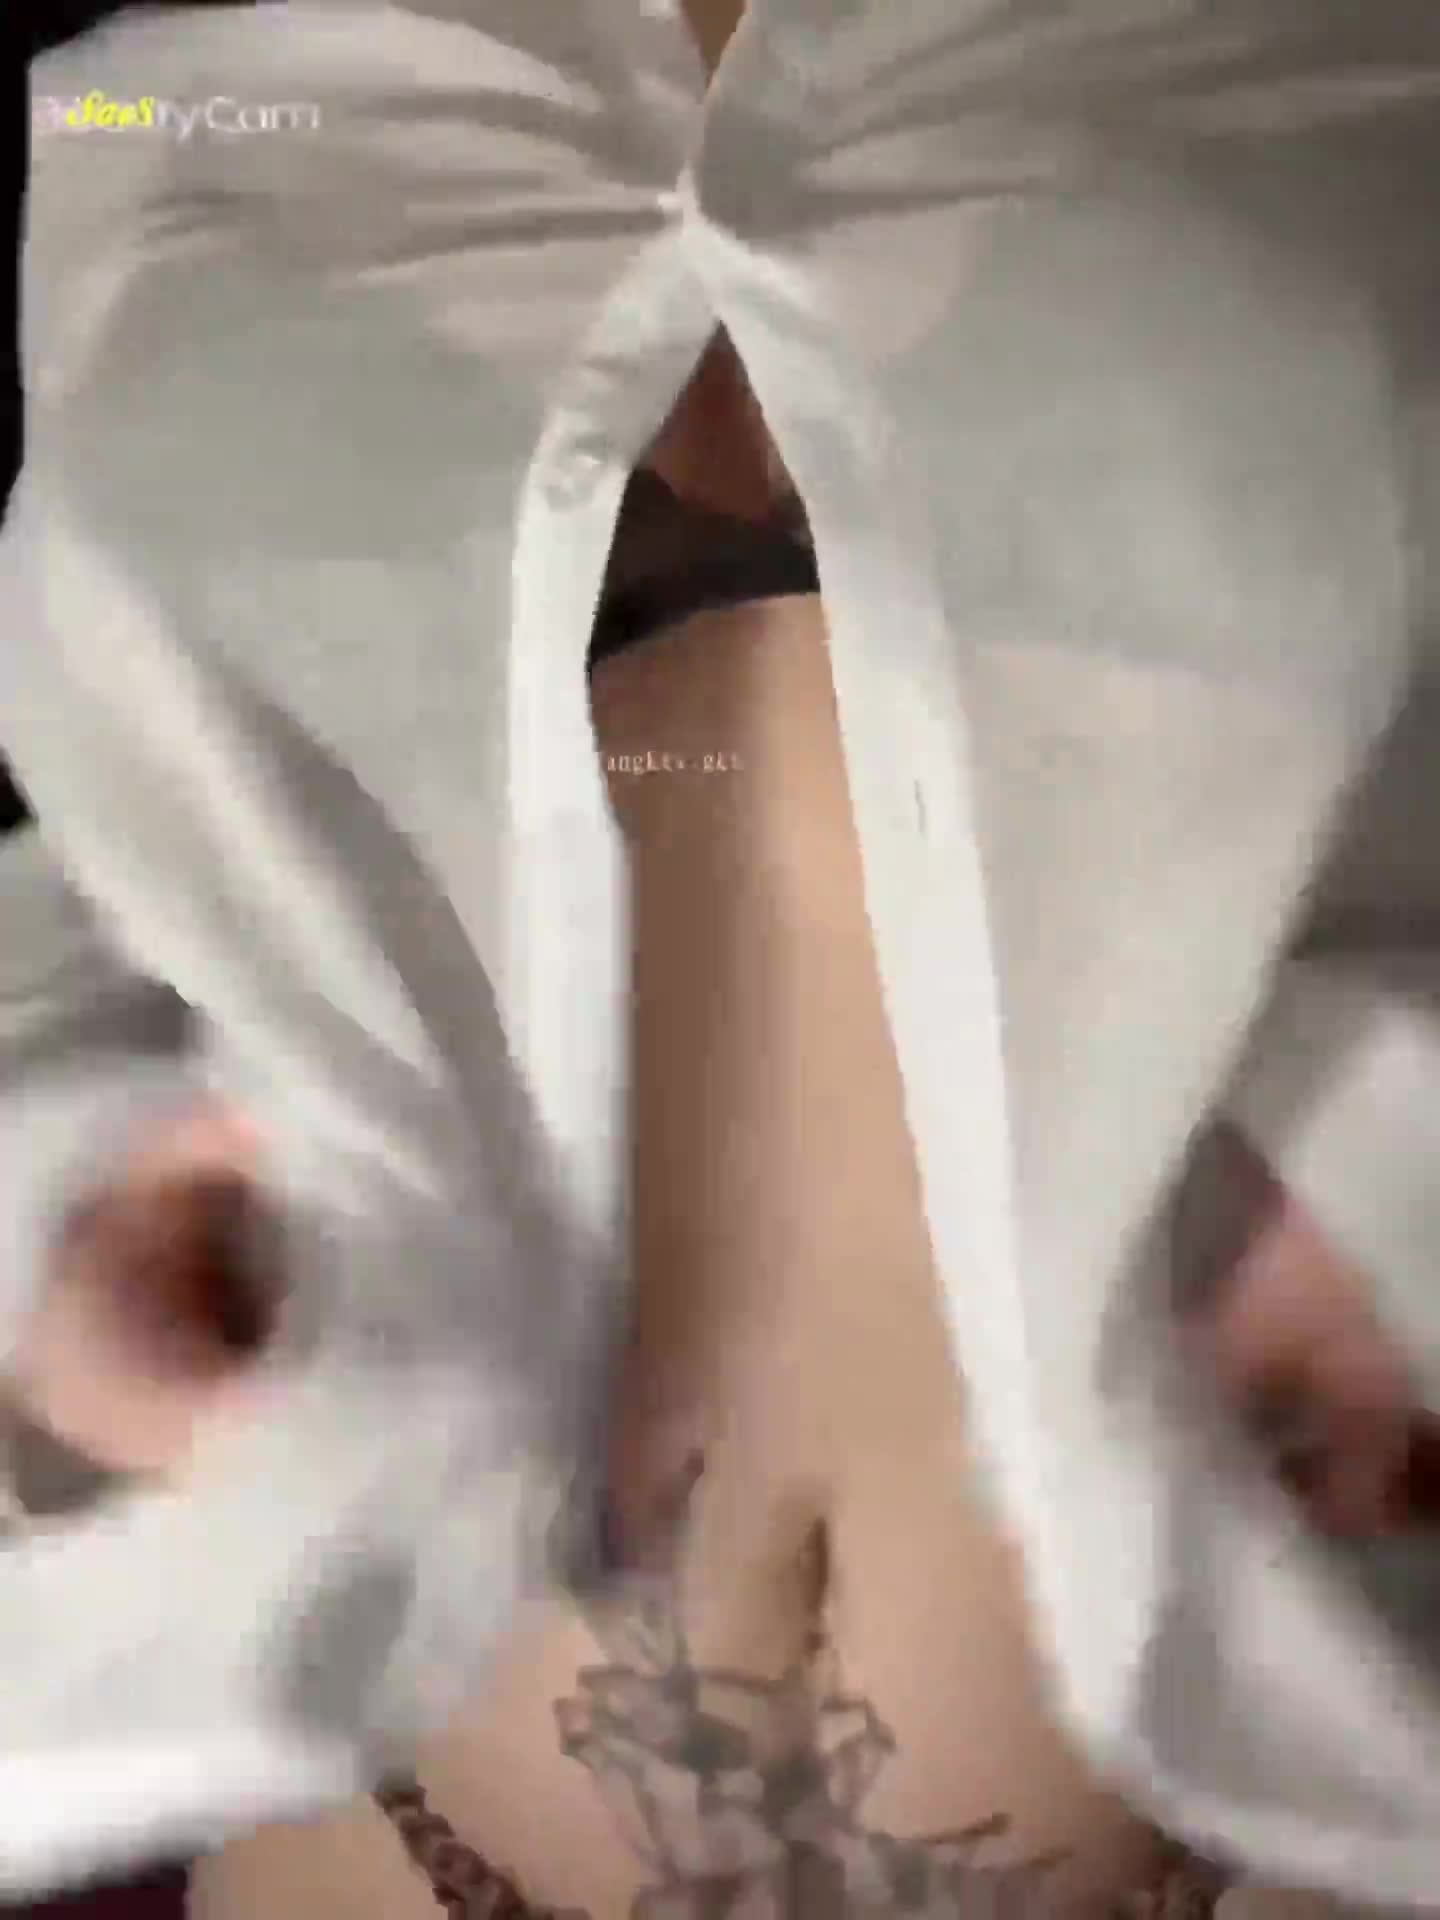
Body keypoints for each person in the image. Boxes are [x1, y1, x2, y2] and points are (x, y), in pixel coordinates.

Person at [6, 3, 1440, 1915]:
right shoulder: (144, 96)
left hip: (1257, 1801)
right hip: (382, 1829)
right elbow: (122, 863)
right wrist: (43, 1247)